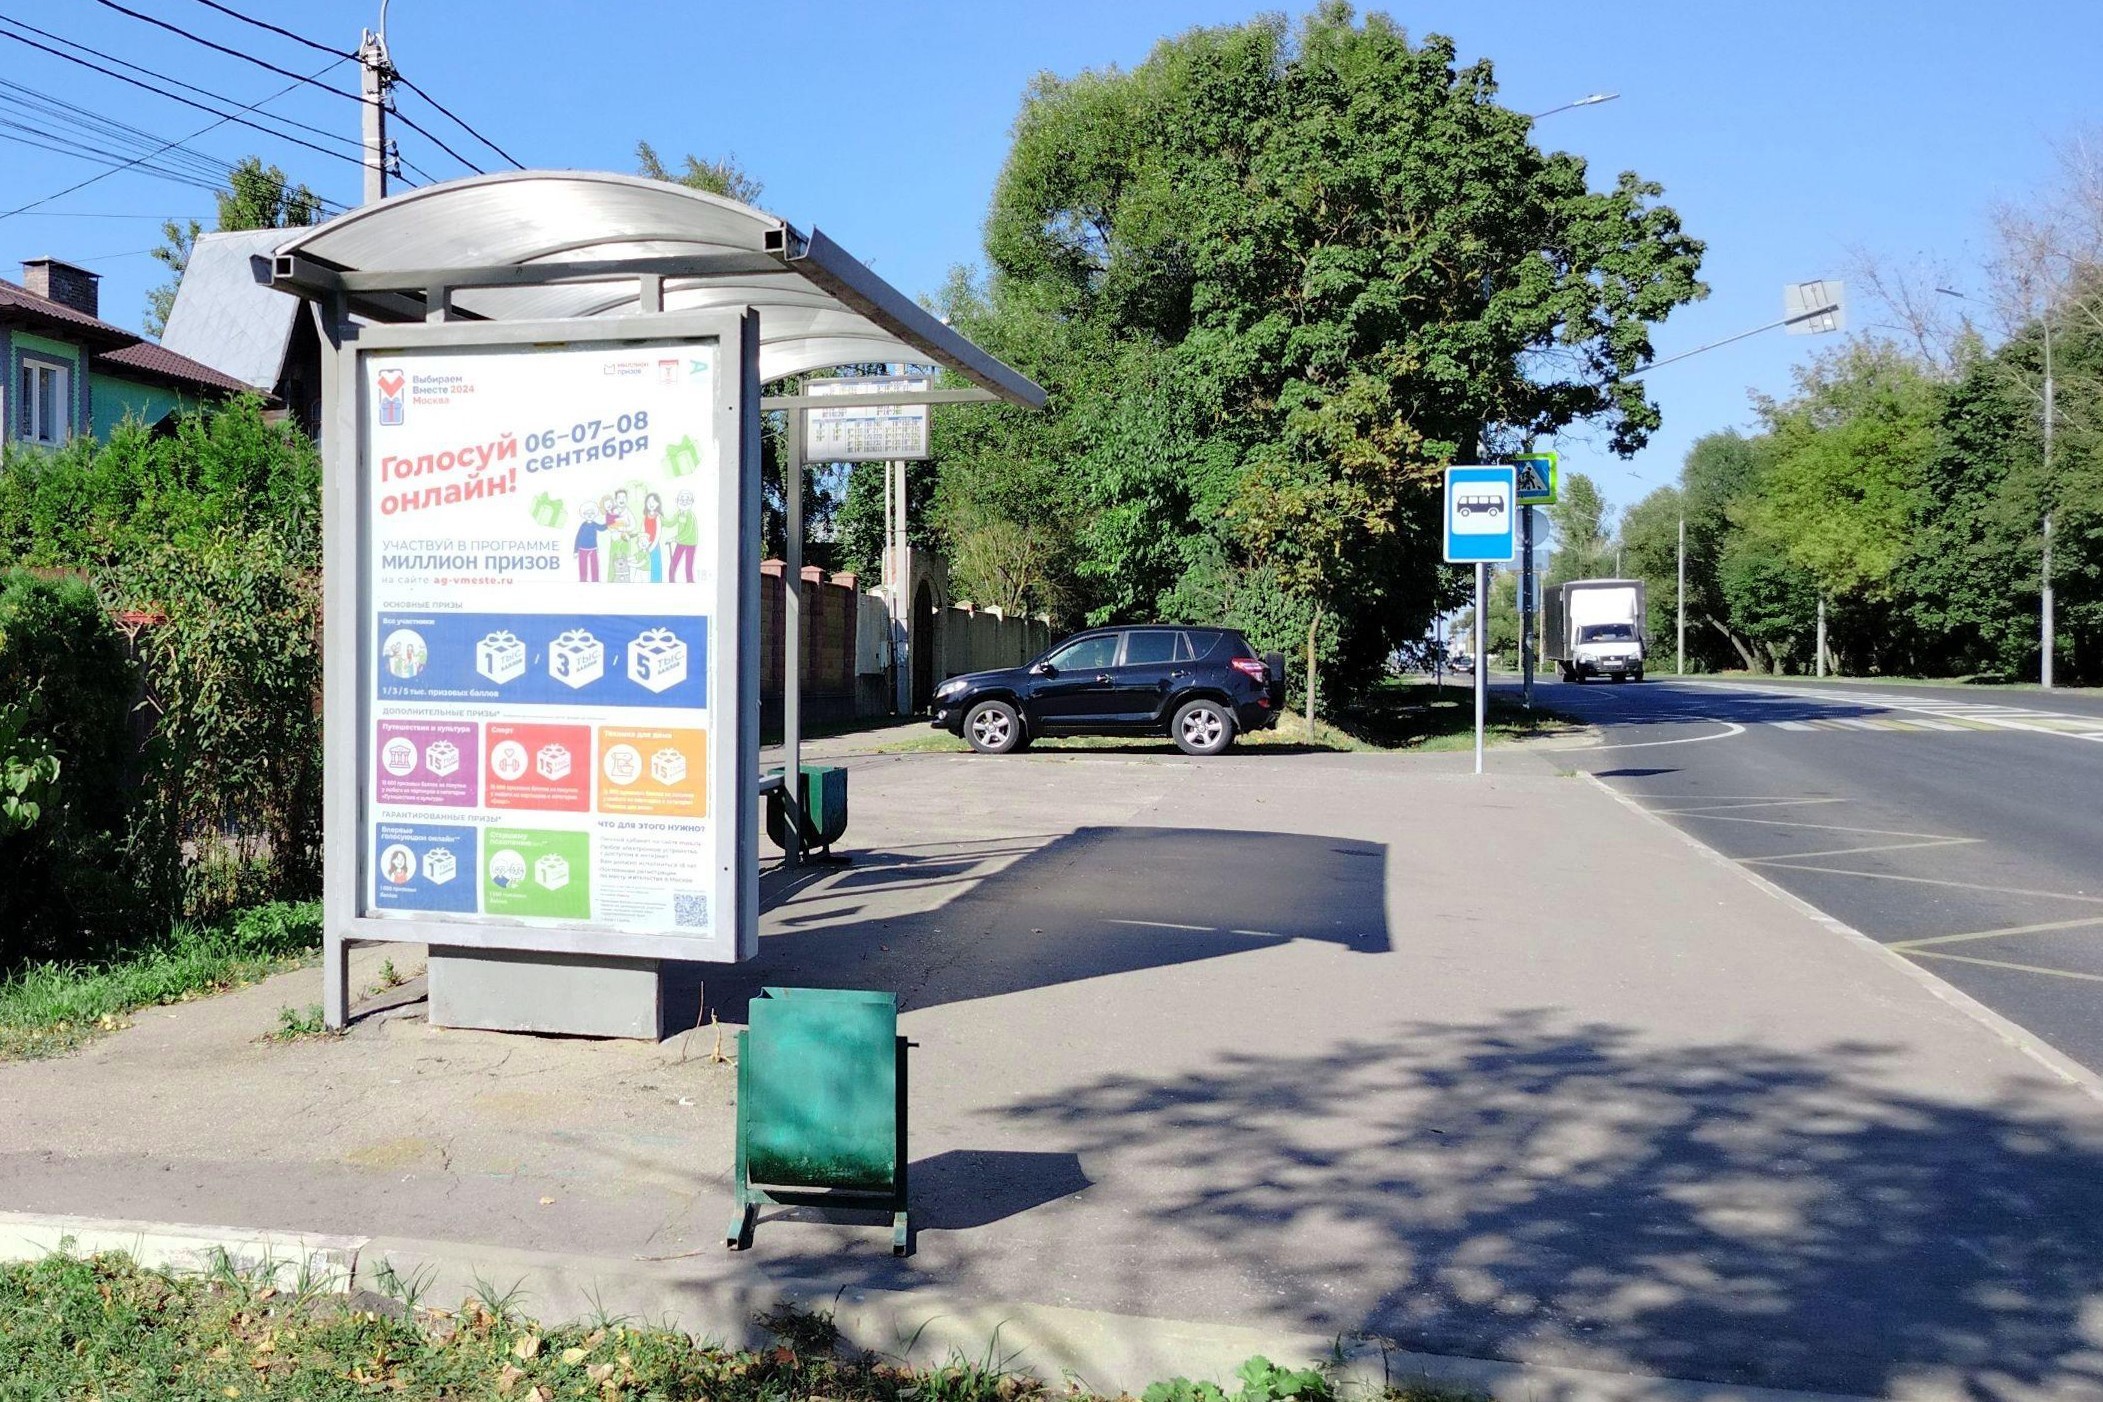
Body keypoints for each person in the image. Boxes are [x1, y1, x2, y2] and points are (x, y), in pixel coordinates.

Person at [667, 491, 699, 582]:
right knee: (673, 563)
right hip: (681, 542)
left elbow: (687, 532)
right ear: (677, 501)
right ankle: (671, 582)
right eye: (682, 499)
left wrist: (674, 539)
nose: (684, 502)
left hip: (691, 543)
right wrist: (661, 520)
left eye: (687, 500)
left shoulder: (690, 515)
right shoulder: (679, 513)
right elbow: (671, 523)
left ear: (691, 502)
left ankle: (690, 582)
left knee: (688, 566)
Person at [574, 504, 606, 582]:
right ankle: (583, 580)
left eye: (591, 513)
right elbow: (578, 537)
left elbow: (601, 528)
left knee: (594, 565)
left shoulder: (594, 524)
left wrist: (609, 523)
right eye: (587, 513)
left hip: (593, 548)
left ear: (595, 515)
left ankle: (595, 580)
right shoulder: (583, 525)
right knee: (583, 565)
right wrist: (575, 551)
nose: (589, 515)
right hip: (582, 548)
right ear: (584, 515)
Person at [643, 492, 665, 583]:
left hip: (654, 545)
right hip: (645, 544)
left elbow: (658, 534)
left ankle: (656, 581)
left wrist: (652, 547)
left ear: (658, 504)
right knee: (647, 564)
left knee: (655, 564)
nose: (651, 504)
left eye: (653, 502)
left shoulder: (657, 517)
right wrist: (642, 542)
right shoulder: (645, 517)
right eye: (648, 502)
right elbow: (642, 530)